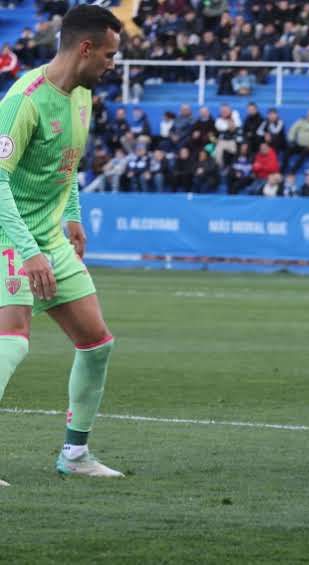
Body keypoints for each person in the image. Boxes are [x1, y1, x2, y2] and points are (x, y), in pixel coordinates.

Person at [0, 4, 124, 487]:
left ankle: (75, 453)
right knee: (11, 341)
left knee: (96, 344)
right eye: (110, 55)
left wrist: (73, 217)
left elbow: (66, 165)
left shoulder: (82, 96)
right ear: (85, 48)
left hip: (50, 237)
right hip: (9, 235)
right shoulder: (24, 100)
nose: (113, 64)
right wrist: (27, 250)